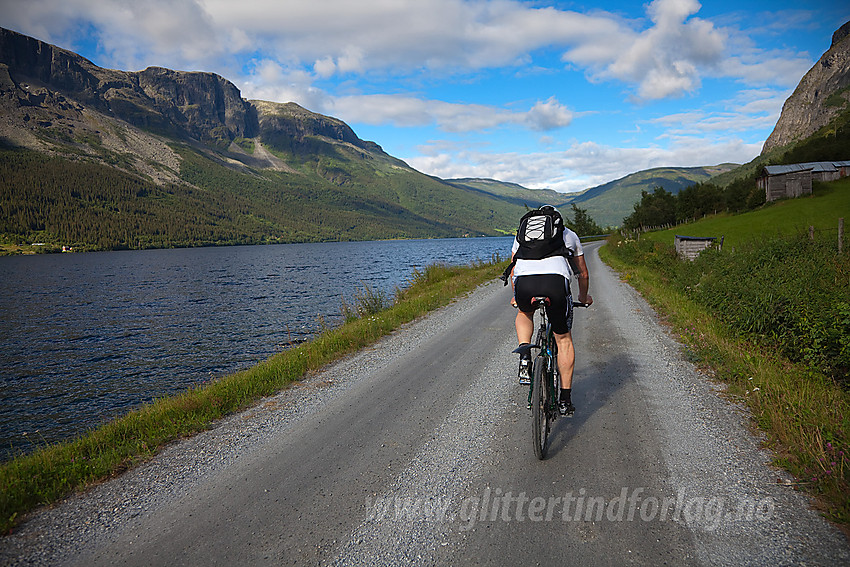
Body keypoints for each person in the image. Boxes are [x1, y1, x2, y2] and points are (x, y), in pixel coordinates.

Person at [508, 205, 592, 416]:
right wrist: (583, 297)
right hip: (554, 284)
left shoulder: (522, 236)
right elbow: (582, 273)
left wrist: (516, 296)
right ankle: (564, 400)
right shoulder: (568, 234)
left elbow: (513, 268)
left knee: (524, 313)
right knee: (563, 339)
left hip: (524, 284)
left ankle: (525, 354)